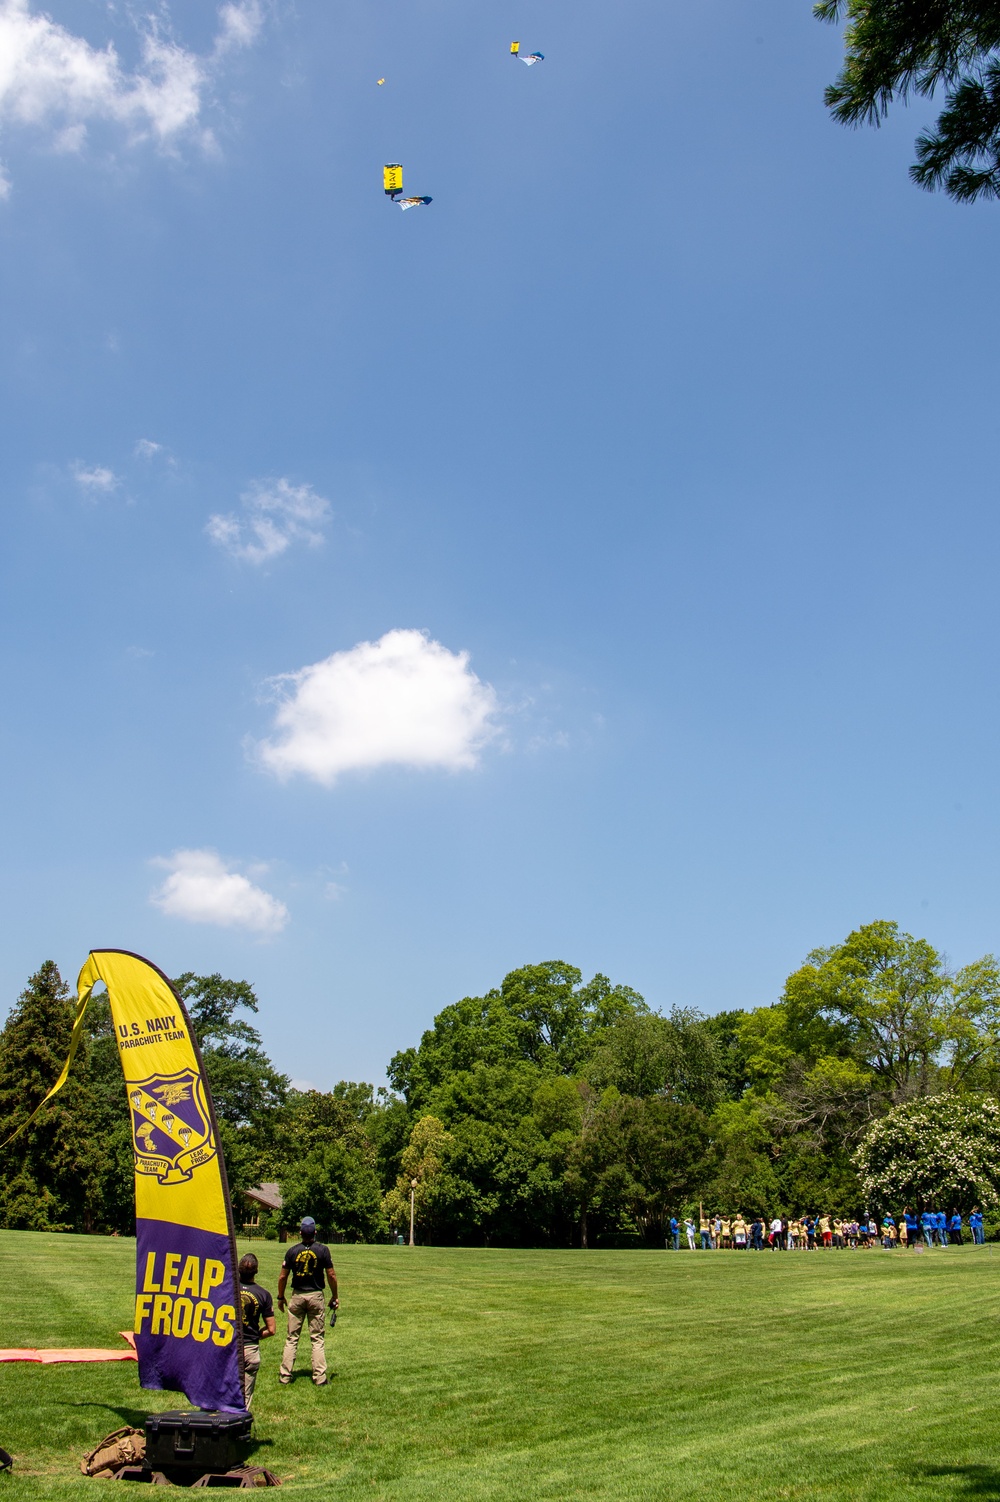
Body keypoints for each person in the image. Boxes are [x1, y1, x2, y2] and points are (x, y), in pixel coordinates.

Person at [278, 1216, 338, 1387]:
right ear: (315, 1233)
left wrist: (281, 1297)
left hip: (297, 1296)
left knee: (292, 1338)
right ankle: (319, 1377)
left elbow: (283, 1276)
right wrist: (335, 1296)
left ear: (300, 1233)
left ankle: (285, 1375)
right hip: (315, 1296)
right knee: (317, 1338)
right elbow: (331, 1275)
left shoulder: (292, 1251)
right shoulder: (323, 1250)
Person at [239, 1253, 275, 1410]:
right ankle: (240, 1426)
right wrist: (256, 1335)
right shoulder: (264, 1295)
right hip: (250, 1349)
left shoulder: (228, 1289)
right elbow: (271, 1329)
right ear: (256, 1271)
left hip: (228, 1348)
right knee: (244, 1398)